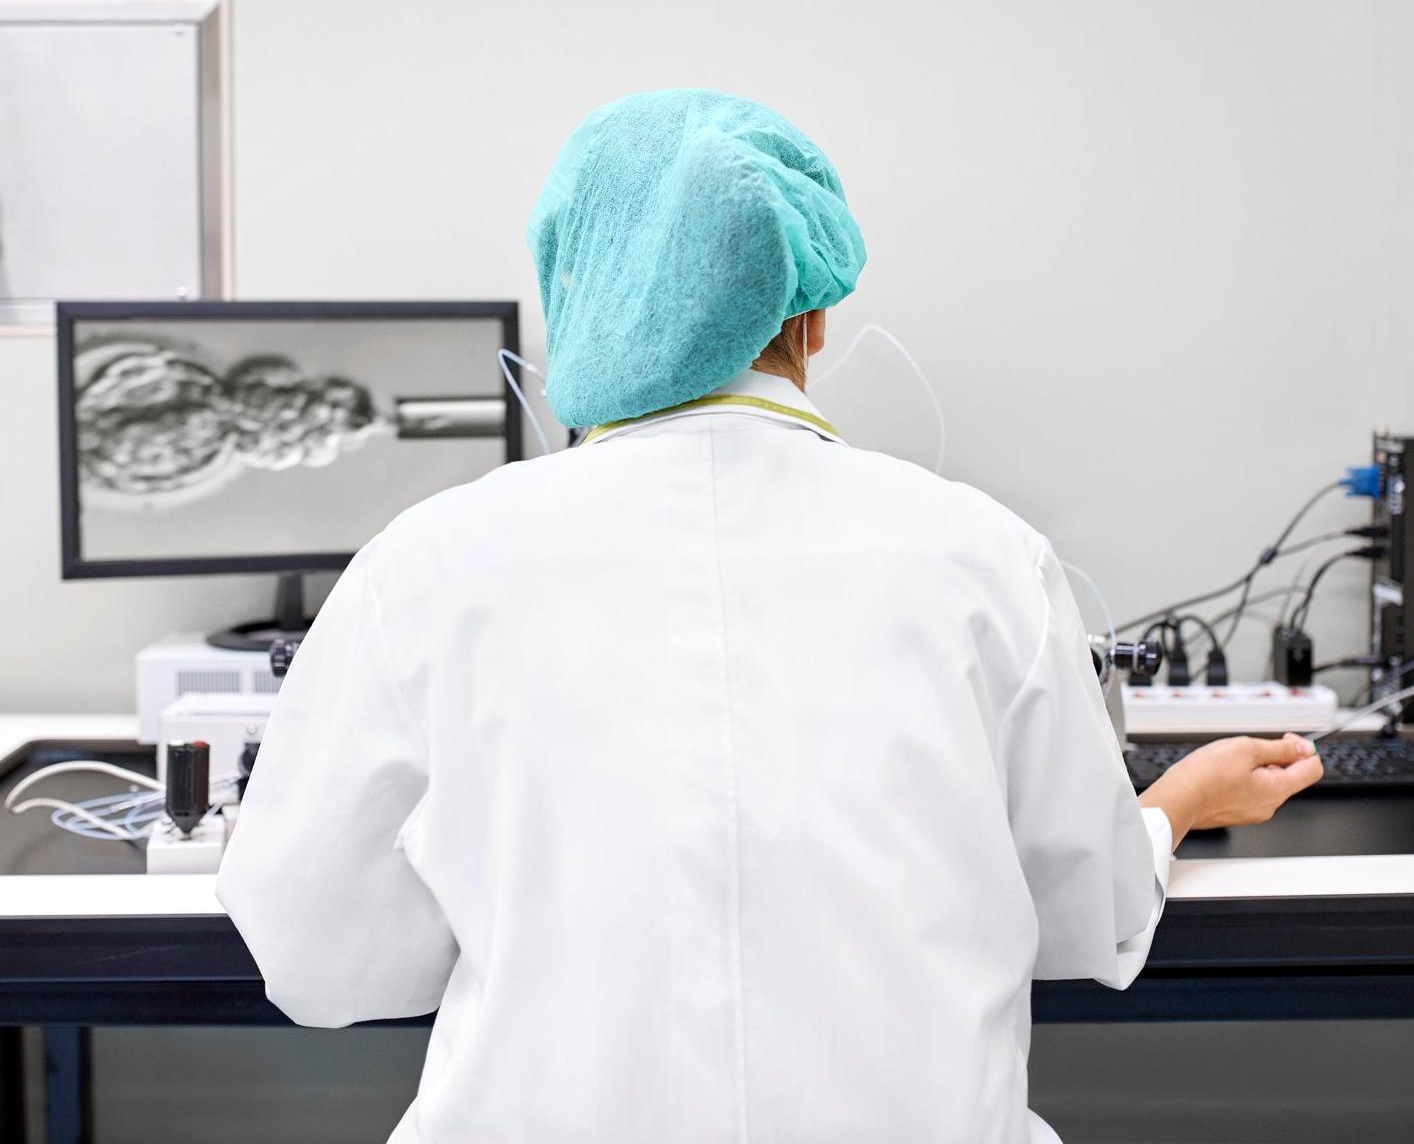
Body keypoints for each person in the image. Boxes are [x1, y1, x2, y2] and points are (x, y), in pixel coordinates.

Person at [216, 89, 1324, 1144]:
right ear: (818, 310)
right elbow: (1081, 913)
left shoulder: (426, 565)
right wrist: (1174, 804)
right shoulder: (981, 555)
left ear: (580, 296)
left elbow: (318, 960)